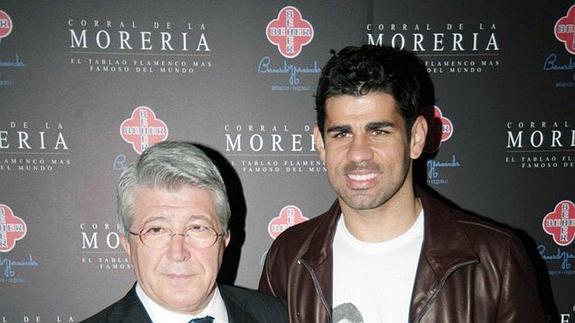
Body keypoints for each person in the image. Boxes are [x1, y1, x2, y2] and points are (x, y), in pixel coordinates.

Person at [258, 45, 547, 322]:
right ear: (320, 144)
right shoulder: (289, 257)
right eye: (341, 134)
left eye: (379, 131)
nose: (358, 153)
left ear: (417, 138)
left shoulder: (495, 260)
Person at [83, 141, 287, 323]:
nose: (178, 253)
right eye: (157, 230)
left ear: (224, 239)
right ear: (128, 244)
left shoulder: (279, 316)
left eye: (197, 228)